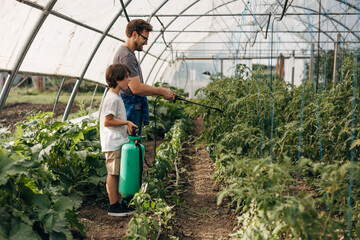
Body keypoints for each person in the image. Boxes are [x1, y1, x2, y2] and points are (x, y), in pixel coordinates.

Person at [113, 19, 175, 136]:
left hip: (132, 106)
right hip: (129, 108)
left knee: (134, 145)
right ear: (135, 34)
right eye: (145, 38)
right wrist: (162, 91)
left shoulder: (128, 54)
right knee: (132, 145)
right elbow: (136, 88)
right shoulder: (127, 56)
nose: (146, 43)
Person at [100, 63, 138, 217]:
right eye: (127, 77)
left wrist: (126, 127)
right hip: (113, 142)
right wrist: (126, 123)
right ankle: (114, 206)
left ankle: (120, 202)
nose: (129, 80)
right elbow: (107, 121)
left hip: (118, 140)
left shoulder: (116, 96)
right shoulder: (112, 99)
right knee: (113, 173)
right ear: (117, 78)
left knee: (118, 172)